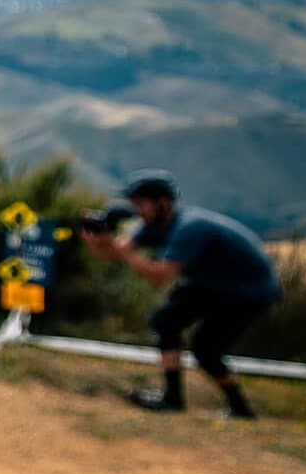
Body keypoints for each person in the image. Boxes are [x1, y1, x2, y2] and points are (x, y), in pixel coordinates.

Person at [86, 171, 281, 419]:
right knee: (166, 322)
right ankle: (174, 399)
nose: (137, 210)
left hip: (249, 291)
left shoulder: (190, 227)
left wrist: (122, 251)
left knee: (206, 348)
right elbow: (118, 255)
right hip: (212, 284)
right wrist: (100, 241)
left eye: (141, 203)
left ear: (163, 203)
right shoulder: (154, 226)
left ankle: (239, 407)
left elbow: (159, 277)